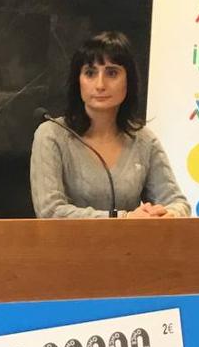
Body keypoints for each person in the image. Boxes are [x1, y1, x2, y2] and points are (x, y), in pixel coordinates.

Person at [30, 31, 190, 219]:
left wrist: (167, 214)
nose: (100, 84)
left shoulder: (143, 139)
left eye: (112, 73)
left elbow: (178, 202)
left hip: (131, 248)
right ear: (78, 81)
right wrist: (123, 219)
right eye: (90, 73)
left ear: (128, 81)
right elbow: (50, 211)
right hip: (68, 247)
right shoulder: (51, 134)